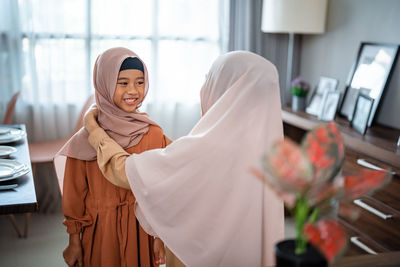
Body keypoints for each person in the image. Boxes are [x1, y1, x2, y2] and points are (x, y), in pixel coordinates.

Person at [84, 51, 285, 267]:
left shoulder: (209, 148)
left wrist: (95, 130)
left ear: (225, 90)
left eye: (209, 79)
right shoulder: (270, 156)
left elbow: (126, 171)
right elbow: (182, 159)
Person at [54, 47, 169, 267]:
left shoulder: (153, 134)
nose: (133, 90)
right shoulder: (85, 139)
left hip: (141, 231)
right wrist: (74, 241)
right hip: (100, 233)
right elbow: (75, 194)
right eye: (123, 82)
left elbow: (158, 191)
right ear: (104, 84)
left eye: (140, 82)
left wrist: (159, 237)